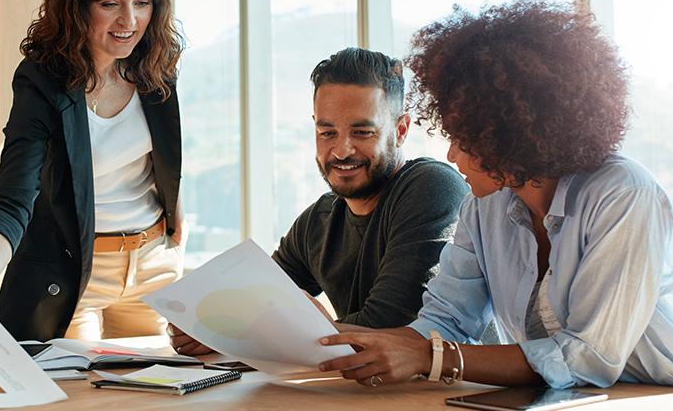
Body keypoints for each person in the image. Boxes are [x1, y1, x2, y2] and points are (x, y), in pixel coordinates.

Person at [316, 0, 673, 391]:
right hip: (570, 401)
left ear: (510, 133)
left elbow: (587, 358)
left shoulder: (625, 197)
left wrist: (432, 357)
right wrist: (324, 341)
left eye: (464, 137)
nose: (451, 154)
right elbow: (442, 322)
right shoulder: (483, 207)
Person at [0, 0, 185, 342]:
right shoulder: (42, 81)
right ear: (77, 5)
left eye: (142, 3)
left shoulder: (155, 65)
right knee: (74, 396)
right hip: (73, 272)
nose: (130, 21)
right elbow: (13, 196)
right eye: (110, 3)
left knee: (160, 394)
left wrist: (178, 227)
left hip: (153, 266)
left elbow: (162, 155)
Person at [171, 47, 468, 355]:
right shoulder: (319, 221)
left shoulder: (433, 187)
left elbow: (387, 330)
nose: (341, 151)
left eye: (362, 132)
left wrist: (283, 328)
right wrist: (205, 330)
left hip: (450, 394)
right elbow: (252, 306)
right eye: (327, 132)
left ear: (401, 130)